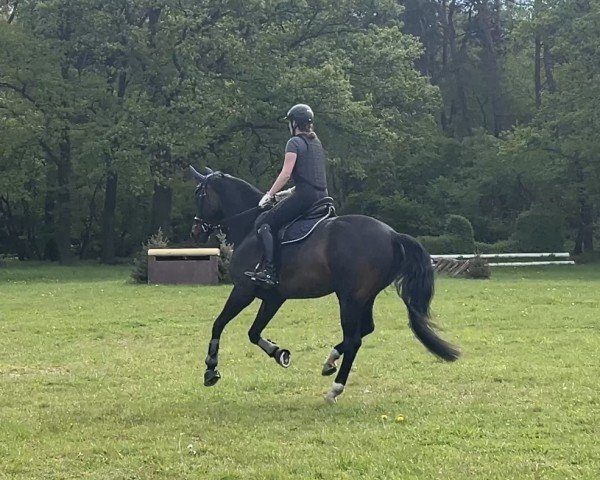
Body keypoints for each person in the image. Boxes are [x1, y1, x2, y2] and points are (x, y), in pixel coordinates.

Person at [246, 103, 328, 287]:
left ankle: (269, 271)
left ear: (294, 123)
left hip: (305, 198)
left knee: (265, 224)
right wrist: (286, 193)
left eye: (290, 123)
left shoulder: (294, 142)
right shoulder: (316, 143)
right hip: (322, 197)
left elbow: (286, 174)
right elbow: (311, 176)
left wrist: (270, 194)